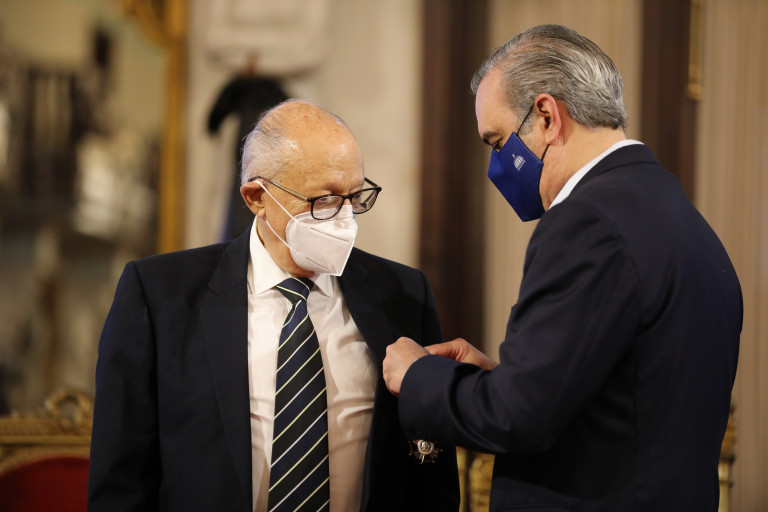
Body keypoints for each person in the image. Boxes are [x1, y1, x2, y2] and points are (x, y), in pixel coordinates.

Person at [383, 24, 741, 512]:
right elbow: (621, 403)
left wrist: (418, 376)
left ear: (547, 116)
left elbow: (516, 417)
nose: (496, 166)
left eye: (496, 142)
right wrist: (498, 379)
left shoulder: (588, 221)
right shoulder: (679, 216)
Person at [88, 99, 459, 512]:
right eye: (324, 200)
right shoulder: (159, 294)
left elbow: (432, 477)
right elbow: (120, 480)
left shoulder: (404, 293)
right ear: (256, 198)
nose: (345, 218)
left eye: (355, 197)